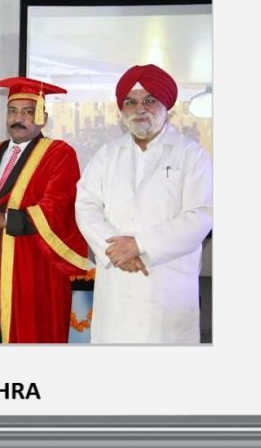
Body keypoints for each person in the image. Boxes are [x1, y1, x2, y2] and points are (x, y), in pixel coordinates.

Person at [75, 63, 213, 343]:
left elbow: (201, 215)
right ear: (122, 109)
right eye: (131, 102)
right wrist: (115, 251)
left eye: (149, 100)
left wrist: (139, 245)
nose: (140, 109)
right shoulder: (107, 154)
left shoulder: (191, 154)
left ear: (166, 105)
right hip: (116, 282)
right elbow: (86, 205)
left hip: (166, 286)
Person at [0, 77, 89, 343]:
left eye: (27, 111)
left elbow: (59, 206)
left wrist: (6, 220)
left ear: (42, 118)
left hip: (33, 266)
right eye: (12, 111)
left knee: (31, 333)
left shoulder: (58, 153)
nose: (18, 118)